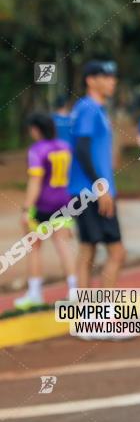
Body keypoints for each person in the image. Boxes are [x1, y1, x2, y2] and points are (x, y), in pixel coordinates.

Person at [69, 61, 126, 297]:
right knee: (115, 252)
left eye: (113, 77)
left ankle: (90, 313)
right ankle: (100, 313)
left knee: (88, 250)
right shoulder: (88, 108)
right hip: (90, 192)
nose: (112, 81)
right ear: (90, 80)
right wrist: (101, 187)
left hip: (96, 190)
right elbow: (81, 150)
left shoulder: (98, 111)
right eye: (105, 76)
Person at [14, 114, 77, 310]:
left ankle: (35, 294)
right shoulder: (65, 147)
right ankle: (75, 290)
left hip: (43, 205)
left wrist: (26, 209)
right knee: (64, 246)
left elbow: (35, 182)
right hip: (64, 202)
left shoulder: (37, 150)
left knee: (34, 248)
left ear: (36, 129)